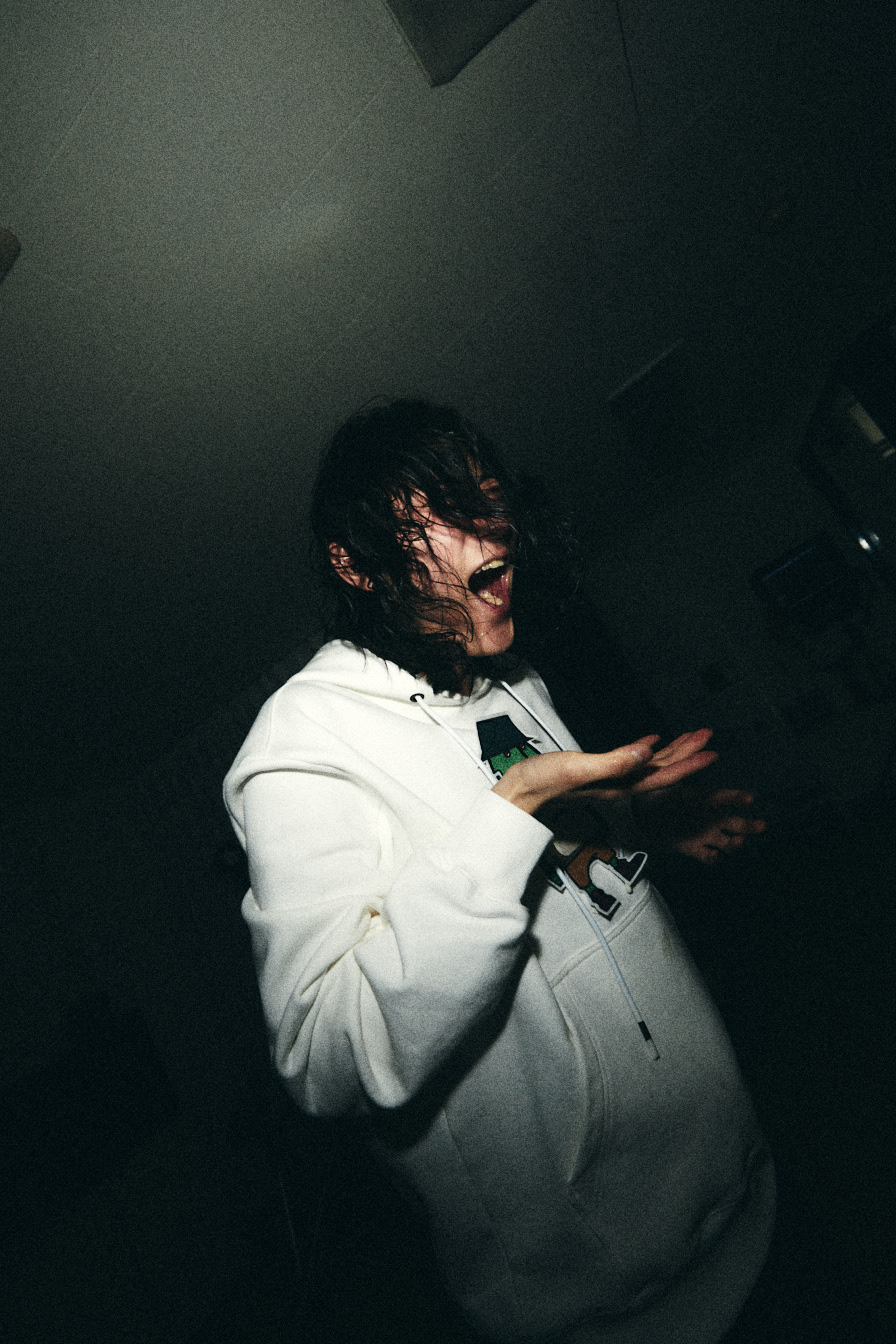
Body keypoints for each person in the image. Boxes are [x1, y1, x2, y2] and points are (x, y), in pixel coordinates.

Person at [223, 399, 775, 1344]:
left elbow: (563, 868)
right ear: (355, 563)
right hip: (615, 1312)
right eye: (443, 508)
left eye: (487, 495)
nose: (494, 525)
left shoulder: (514, 679)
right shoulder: (300, 743)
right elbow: (324, 1058)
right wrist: (512, 805)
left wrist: (641, 823)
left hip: (753, 1192)